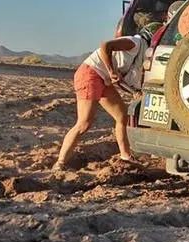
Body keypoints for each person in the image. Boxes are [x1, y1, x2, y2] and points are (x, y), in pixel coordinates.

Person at [53, 23, 162, 171]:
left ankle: (125, 155)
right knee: (84, 123)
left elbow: (123, 78)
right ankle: (60, 162)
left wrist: (134, 92)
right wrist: (110, 70)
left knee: (122, 116)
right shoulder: (135, 43)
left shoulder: (140, 53)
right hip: (91, 73)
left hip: (103, 79)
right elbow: (105, 46)